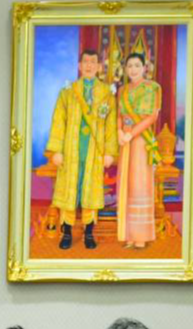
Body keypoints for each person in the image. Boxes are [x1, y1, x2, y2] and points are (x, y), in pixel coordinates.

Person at [44, 49, 115, 251]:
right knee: (69, 191)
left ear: (99, 66)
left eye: (93, 62)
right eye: (86, 62)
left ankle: (89, 233)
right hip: (71, 150)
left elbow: (110, 125)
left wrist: (110, 152)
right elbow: (59, 121)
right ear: (79, 66)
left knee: (90, 191)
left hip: (94, 151)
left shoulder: (107, 95)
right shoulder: (68, 92)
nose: (89, 66)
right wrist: (56, 150)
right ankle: (66, 232)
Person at [115, 52, 161, 249]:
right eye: (130, 66)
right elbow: (119, 114)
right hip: (125, 140)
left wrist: (131, 134)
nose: (133, 69)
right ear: (125, 69)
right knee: (126, 184)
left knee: (139, 184)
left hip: (141, 140)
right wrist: (119, 131)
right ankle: (129, 234)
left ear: (145, 67)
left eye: (137, 65)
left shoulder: (152, 88)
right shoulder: (122, 90)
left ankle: (141, 235)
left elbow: (151, 117)